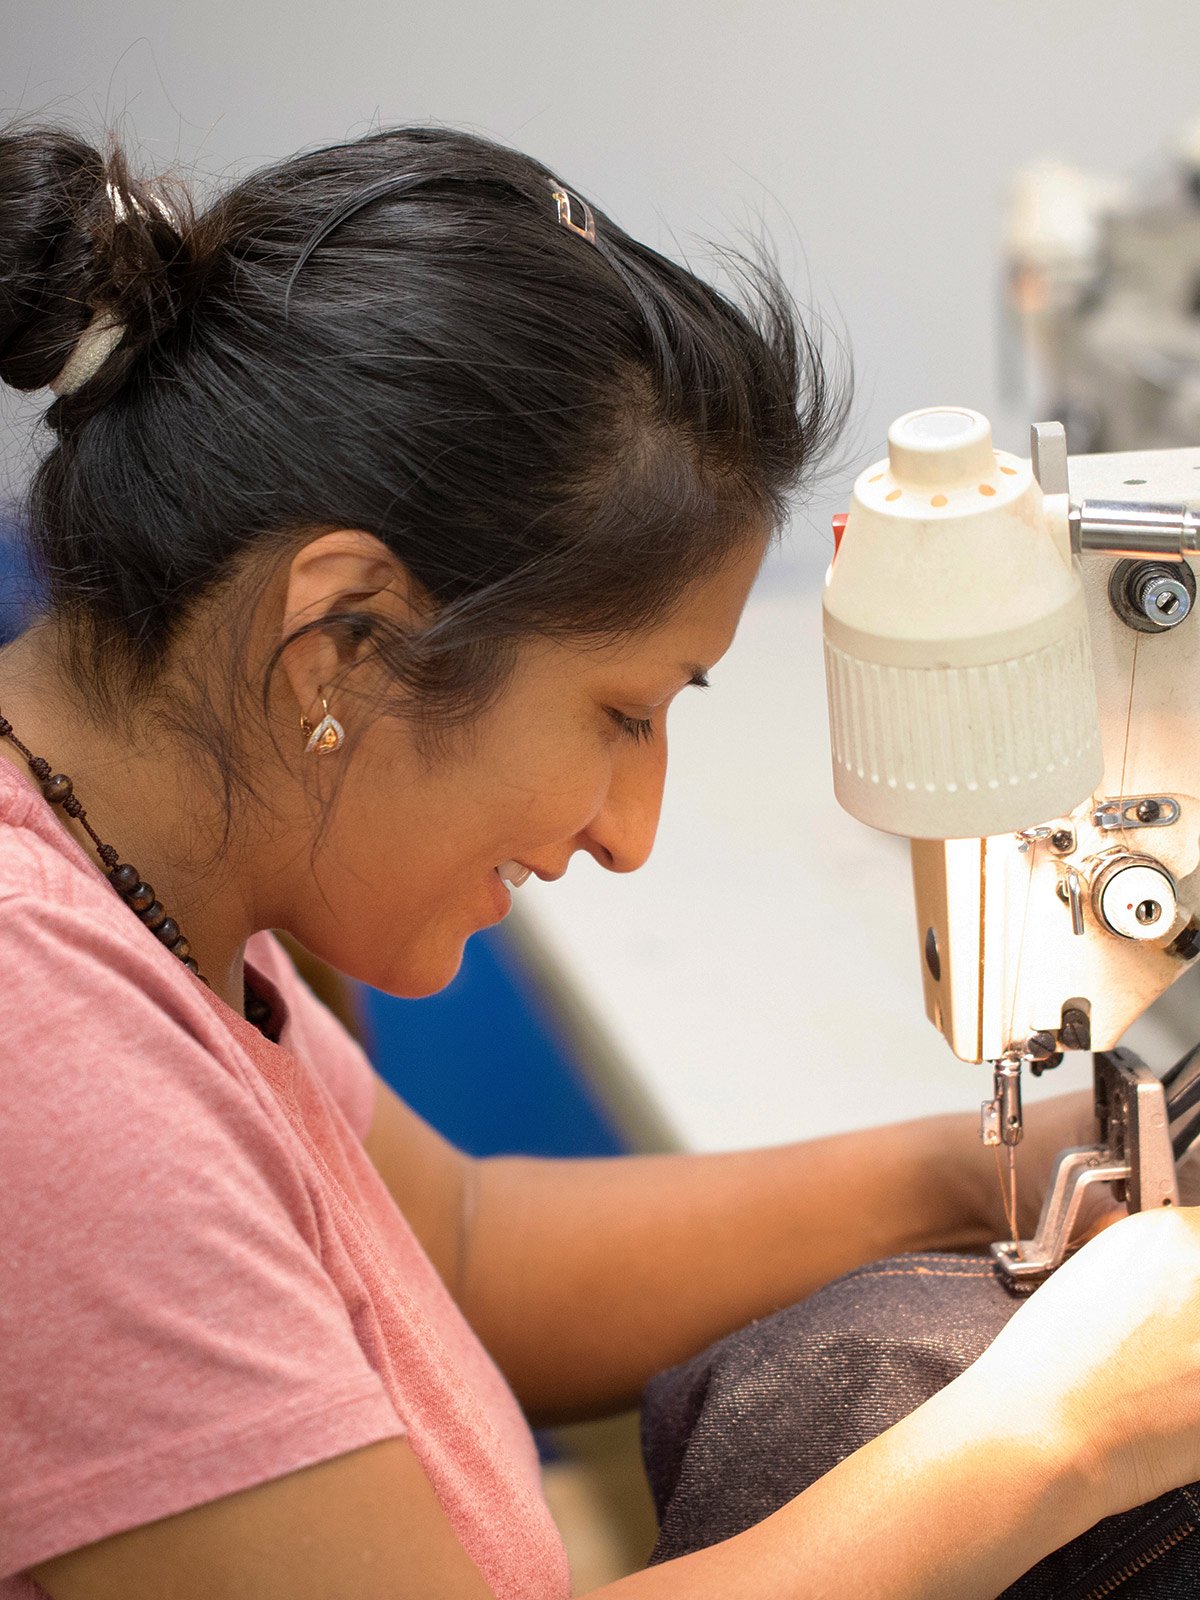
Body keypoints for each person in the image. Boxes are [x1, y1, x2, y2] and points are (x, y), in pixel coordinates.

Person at [2, 122, 1200, 1600]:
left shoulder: (123, 881)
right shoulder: (41, 1050)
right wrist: (1063, 1428)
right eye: (622, 714)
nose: (631, 834)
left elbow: (457, 1249)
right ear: (341, 643)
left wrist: (982, 1169)